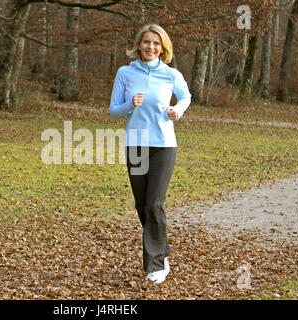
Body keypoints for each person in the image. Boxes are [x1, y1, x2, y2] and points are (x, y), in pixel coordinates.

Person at [109, 24, 191, 284]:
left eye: (156, 43)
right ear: (139, 45)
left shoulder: (171, 74)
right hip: (136, 144)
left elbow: (186, 96)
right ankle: (162, 251)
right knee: (142, 205)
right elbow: (113, 111)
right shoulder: (125, 73)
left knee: (155, 202)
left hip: (163, 145)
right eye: (146, 42)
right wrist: (129, 105)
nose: (150, 47)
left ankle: (156, 263)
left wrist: (177, 111)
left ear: (163, 47)